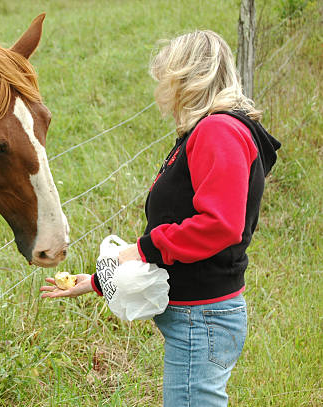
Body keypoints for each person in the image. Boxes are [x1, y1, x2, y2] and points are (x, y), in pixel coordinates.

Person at [40, 29, 281, 407]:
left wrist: (139, 249)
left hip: (201, 319)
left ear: (188, 79)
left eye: (168, 79)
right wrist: (99, 281)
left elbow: (219, 225)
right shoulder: (211, 130)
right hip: (201, 315)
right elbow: (182, 234)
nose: (164, 91)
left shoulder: (218, 131)